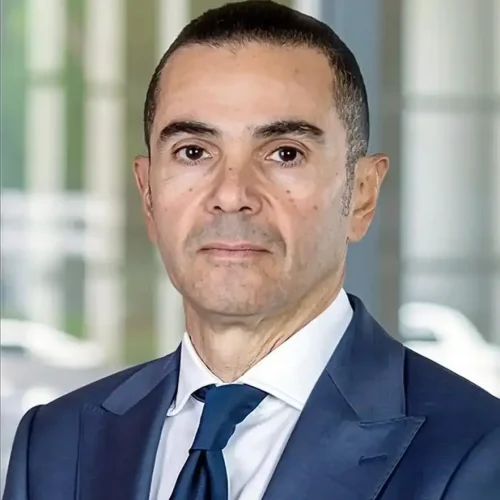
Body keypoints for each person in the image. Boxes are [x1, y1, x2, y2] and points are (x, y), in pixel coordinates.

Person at [4, 1, 500, 499]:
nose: (231, 194)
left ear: (362, 194)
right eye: (193, 152)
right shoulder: (54, 444)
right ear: (148, 192)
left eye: (285, 153)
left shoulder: (476, 452)